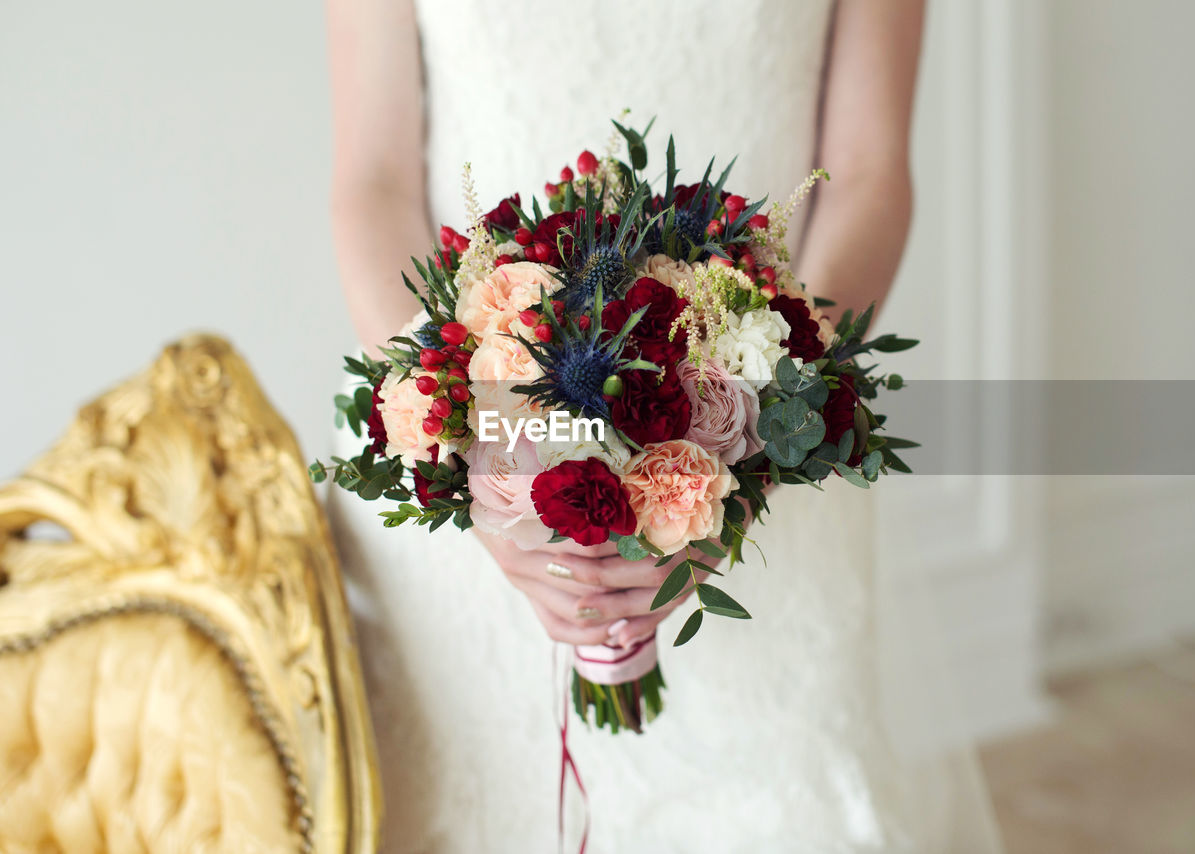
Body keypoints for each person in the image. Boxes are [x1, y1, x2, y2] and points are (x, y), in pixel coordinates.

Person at [326, 1, 1003, 850]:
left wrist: (754, 427)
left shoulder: (758, 430)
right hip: (472, 444)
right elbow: (374, 184)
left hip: (766, 450)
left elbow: (866, 172)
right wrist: (485, 463)